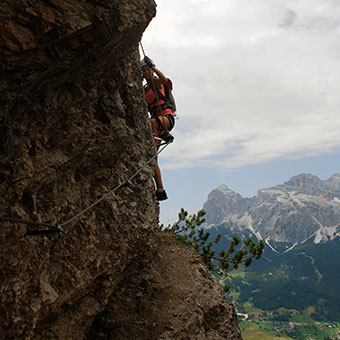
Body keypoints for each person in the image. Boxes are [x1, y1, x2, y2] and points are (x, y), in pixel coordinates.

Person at [141, 56, 176, 201]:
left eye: (147, 70)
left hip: (166, 118)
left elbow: (163, 79)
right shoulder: (145, 89)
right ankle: (160, 189)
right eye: (144, 71)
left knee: (153, 122)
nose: (146, 73)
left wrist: (153, 67)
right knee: (153, 159)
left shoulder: (157, 82)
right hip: (156, 122)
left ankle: (163, 134)